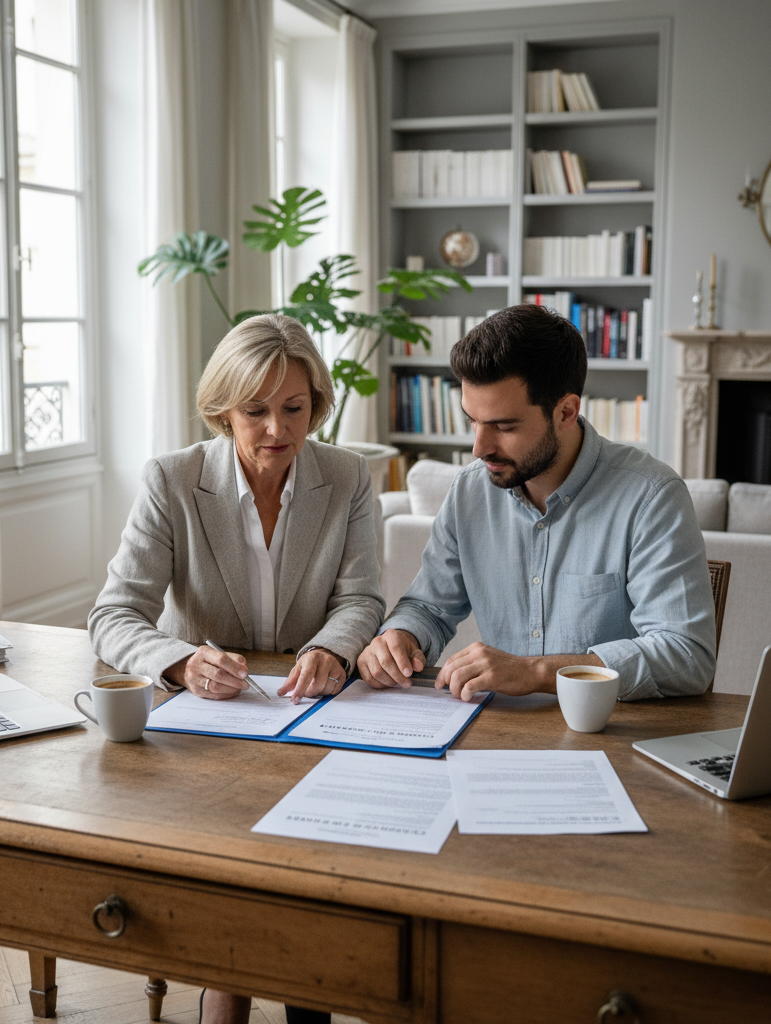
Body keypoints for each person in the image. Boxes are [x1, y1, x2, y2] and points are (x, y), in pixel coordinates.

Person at [89, 313, 384, 1024]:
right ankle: (229, 988)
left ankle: (286, 994)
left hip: (310, 720)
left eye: (295, 408)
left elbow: (364, 599)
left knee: (308, 878)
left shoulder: (348, 477)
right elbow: (113, 616)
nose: (277, 430)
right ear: (223, 408)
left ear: (317, 404)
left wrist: (332, 648)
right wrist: (182, 660)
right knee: (235, 882)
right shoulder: (173, 478)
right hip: (207, 736)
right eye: (255, 410)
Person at [357, 303, 716, 703]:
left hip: (610, 740)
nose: (479, 447)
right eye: (472, 420)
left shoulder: (651, 497)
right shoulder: (470, 492)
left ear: (566, 412)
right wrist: (399, 636)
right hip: (497, 734)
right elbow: (428, 607)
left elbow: (687, 656)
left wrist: (539, 672)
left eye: (504, 426)